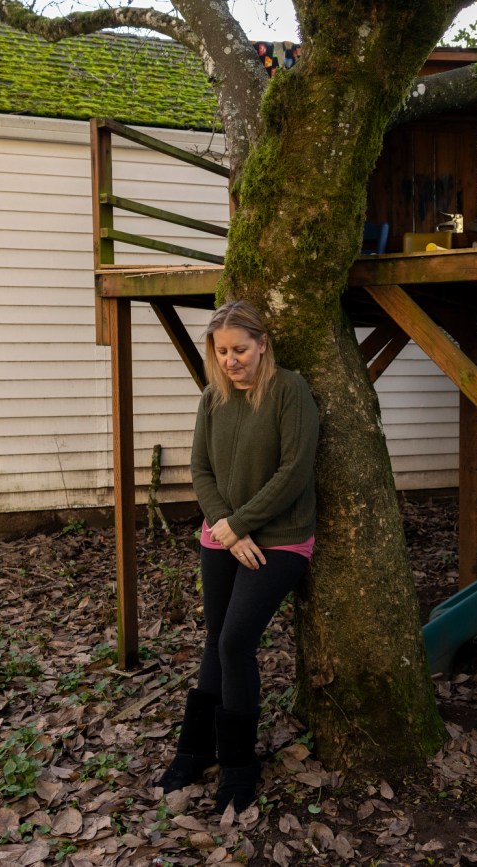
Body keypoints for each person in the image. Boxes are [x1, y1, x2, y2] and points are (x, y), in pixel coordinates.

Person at [159, 300, 319, 813]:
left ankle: (238, 764)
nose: (231, 360)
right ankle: (193, 750)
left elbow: (295, 471)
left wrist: (240, 524)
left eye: (240, 349)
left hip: (282, 539)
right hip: (224, 536)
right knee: (215, 641)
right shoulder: (213, 397)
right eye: (222, 351)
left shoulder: (289, 391)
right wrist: (228, 531)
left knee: (233, 642)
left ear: (262, 343)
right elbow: (200, 469)